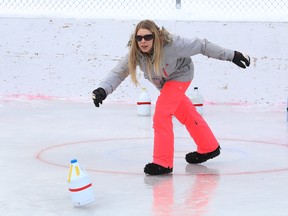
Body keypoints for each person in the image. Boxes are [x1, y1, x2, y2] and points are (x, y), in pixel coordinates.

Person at [92, 20, 250, 175]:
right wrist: (103, 90)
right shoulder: (136, 53)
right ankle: (209, 147)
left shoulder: (172, 45)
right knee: (185, 113)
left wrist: (232, 55)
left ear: (156, 36)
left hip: (181, 75)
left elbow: (202, 45)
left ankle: (163, 162)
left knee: (162, 113)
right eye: (139, 38)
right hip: (164, 83)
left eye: (148, 37)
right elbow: (118, 72)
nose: (143, 41)